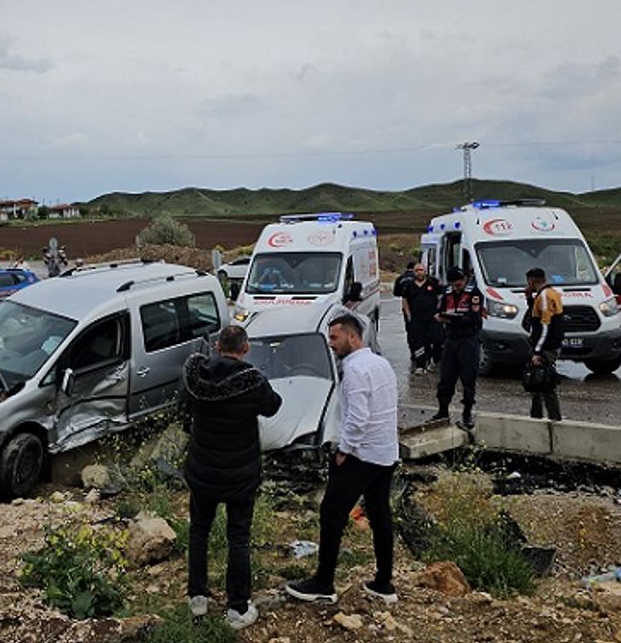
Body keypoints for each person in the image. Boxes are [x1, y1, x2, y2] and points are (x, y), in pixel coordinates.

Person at [286, 314, 400, 606]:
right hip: (385, 453)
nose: (330, 343)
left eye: (335, 337)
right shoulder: (381, 364)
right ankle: (384, 582)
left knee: (331, 514)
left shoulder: (355, 370)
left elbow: (358, 418)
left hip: (361, 456)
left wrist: (343, 451)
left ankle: (323, 582)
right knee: (380, 515)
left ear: (352, 336)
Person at [181, 325, 282, 631]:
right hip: (240, 475)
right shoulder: (252, 381)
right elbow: (273, 406)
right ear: (245, 348)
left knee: (199, 530)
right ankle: (237, 608)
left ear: (217, 346)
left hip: (203, 471)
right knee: (238, 537)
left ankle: (197, 597)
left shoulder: (196, 378)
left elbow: (183, 408)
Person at [433, 267, 485, 428]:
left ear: (464, 280)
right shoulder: (447, 293)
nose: (456, 288)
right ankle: (442, 411)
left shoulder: (474, 293)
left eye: (459, 284)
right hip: (451, 339)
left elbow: (474, 318)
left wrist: (452, 320)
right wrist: (441, 317)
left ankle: (467, 414)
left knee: (468, 378)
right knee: (446, 377)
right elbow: (439, 311)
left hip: (468, 340)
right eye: (453, 285)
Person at [525, 267, 565, 421]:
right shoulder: (551, 293)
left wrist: (537, 351)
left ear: (531, 281)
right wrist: (529, 298)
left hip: (546, 348)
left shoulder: (544, 297)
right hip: (550, 345)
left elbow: (544, 327)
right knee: (537, 384)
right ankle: (536, 417)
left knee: (545, 384)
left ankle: (554, 419)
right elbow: (536, 315)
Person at [395, 261, 442, 376]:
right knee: (418, 342)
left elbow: (440, 297)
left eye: (421, 270)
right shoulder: (409, 286)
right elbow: (404, 300)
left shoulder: (433, 283)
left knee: (437, 340)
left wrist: (438, 312)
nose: (419, 272)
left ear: (425, 271)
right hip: (416, 319)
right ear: (413, 272)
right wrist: (409, 315)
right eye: (416, 270)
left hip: (432, 318)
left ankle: (434, 361)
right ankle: (420, 365)